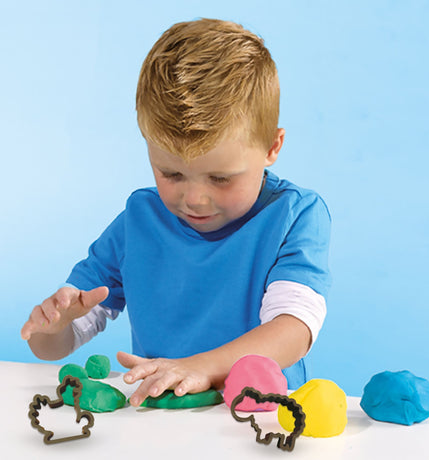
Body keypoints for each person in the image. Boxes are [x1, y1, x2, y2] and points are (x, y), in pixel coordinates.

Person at [21, 18, 331, 407]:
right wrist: (53, 327)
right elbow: (51, 346)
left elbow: (294, 330)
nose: (195, 199)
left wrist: (202, 367)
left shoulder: (294, 216)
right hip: (160, 417)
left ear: (272, 147)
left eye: (220, 178)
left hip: (256, 417)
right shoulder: (138, 221)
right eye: (172, 174)